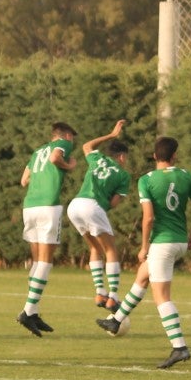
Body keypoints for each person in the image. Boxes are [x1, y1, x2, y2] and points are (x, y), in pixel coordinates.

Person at [97, 136, 191, 369]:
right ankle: (116, 320)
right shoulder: (186, 176)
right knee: (142, 276)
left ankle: (179, 347)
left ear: (155, 156)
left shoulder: (146, 180)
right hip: (179, 242)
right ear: (174, 156)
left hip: (162, 244)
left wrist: (144, 246)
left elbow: (148, 218)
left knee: (162, 298)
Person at [16, 122, 78, 336]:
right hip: (48, 206)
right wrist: (69, 166)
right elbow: (54, 158)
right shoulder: (63, 144)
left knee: (36, 261)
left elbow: (24, 180)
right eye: (72, 138)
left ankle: (33, 312)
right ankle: (28, 311)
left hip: (30, 206)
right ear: (66, 136)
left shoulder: (36, 152)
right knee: (45, 261)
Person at [66, 120, 130, 312]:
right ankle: (113, 297)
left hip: (74, 205)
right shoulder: (123, 175)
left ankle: (100, 292)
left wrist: (111, 134)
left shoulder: (98, 159)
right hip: (93, 206)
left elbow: (87, 145)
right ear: (121, 156)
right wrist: (102, 206)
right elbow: (114, 203)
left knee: (94, 247)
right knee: (110, 250)